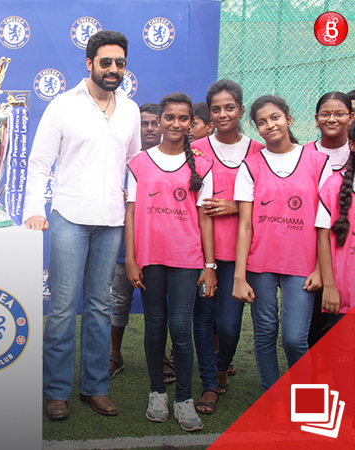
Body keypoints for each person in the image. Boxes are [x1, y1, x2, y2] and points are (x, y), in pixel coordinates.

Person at [24, 30, 141, 420]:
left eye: (119, 63)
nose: (113, 69)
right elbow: (40, 162)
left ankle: (95, 387)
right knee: (60, 308)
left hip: (111, 221)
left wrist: (134, 213)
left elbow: (135, 166)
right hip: (69, 218)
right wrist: (34, 208)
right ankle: (55, 392)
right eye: (105, 62)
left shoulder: (130, 109)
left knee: (98, 307)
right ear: (89, 63)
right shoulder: (62, 106)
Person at [233, 95, 331, 429]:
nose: (270, 125)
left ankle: (309, 405)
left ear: (289, 119)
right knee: (265, 333)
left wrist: (320, 267)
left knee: (294, 338)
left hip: (302, 265)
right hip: (260, 264)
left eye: (275, 118)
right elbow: (244, 224)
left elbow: (323, 222)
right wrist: (240, 275)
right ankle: (273, 401)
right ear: (257, 128)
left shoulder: (316, 160)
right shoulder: (251, 165)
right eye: (262, 122)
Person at [125, 92, 215, 432]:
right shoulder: (139, 162)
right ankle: (157, 392)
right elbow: (131, 212)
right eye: (170, 117)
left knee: (180, 328)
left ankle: (184, 399)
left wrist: (210, 265)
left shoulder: (202, 165)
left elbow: (205, 218)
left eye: (183, 118)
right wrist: (132, 259)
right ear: (159, 120)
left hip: (187, 258)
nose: (176, 124)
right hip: (150, 258)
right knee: (154, 326)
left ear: (191, 122)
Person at [190, 80, 264, 413]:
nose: (222, 114)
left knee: (230, 325)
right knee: (204, 318)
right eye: (216, 109)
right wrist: (207, 263)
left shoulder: (259, 150)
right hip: (202, 252)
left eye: (229, 107)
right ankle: (209, 381)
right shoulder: (198, 149)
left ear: (241, 109)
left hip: (240, 254)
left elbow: (270, 200)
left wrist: (236, 206)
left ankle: (222, 364)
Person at [109, 102, 175, 384]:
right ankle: (114, 355)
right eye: (143, 124)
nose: (149, 129)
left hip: (160, 246)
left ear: (162, 125)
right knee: (119, 300)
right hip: (124, 245)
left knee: (160, 304)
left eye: (153, 123)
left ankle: (159, 356)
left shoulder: (173, 158)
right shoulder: (120, 157)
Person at [304, 91, 353, 349]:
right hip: (309, 255)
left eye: (339, 114)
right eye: (325, 114)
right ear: (316, 119)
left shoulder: (352, 153)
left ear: (351, 117)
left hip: (345, 259)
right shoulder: (303, 154)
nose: (332, 119)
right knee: (309, 332)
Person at [317, 121, 355, 323]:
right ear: (352, 145)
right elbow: (323, 239)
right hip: (344, 297)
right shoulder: (333, 186)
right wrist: (329, 286)